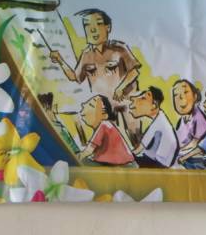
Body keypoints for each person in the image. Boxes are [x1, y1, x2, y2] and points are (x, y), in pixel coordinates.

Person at [49, 8, 143, 140]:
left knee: (135, 137)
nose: (93, 30)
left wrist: (121, 87)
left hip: (125, 104)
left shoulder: (119, 49)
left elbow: (134, 71)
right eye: (87, 25)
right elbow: (74, 77)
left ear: (108, 27)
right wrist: (60, 61)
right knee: (110, 140)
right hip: (104, 109)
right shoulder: (86, 55)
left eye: (98, 24)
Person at [76, 95, 134, 166]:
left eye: (91, 105)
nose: (83, 104)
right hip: (117, 163)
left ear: (104, 115)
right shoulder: (106, 126)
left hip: (115, 164)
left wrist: (77, 157)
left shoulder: (104, 125)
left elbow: (89, 150)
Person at [128, 86, 178, 168]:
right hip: (158, 159)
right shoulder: (160, 118)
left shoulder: (159, 121)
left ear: (154, 105)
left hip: (159, 163)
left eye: (143, 98)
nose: (139, 101)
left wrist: (127, 155)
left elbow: (140, 148)